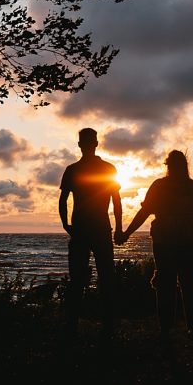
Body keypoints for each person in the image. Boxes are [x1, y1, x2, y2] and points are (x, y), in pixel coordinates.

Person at [118, 150, 193, 337]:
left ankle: (168, 328)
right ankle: (190, 327)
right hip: (184, 239)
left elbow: (144, 213)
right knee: (187, 283)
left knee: (167, 283)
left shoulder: (163, 186)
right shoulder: (192, 187)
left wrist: (126, 233)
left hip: (168, 238)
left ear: (168, 166)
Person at [58, 127, 122, 337]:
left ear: (80, 145)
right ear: (95, 143)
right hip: (99, 227)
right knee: (105, 276)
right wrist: (119, 227)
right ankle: (107, 323)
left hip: (82, 228)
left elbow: (63, 200)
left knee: (78, 278)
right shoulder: (106, 168)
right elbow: (116, 200)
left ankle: (72, 324)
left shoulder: (73, 169)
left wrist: (66, 224)